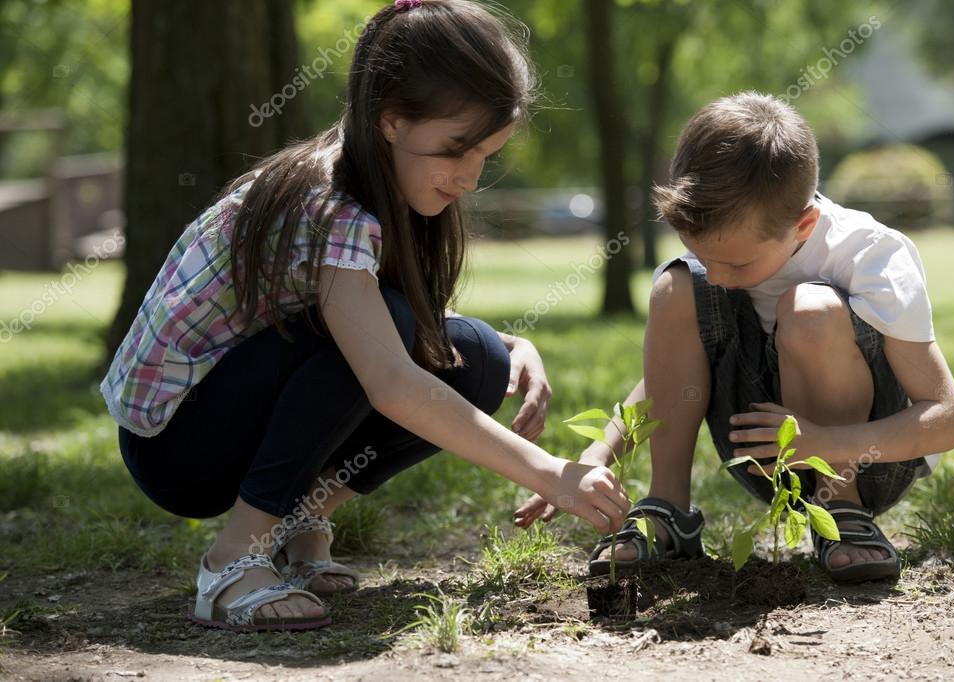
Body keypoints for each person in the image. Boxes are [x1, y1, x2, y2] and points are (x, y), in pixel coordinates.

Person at [101, 0, 629, 633]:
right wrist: (552, 474)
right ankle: (232, 563)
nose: (469, 176)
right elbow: (387, 376)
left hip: (227, 420)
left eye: (485, 153)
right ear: (390, 122)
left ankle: (300, 523)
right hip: (176, 446)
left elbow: (390, 325)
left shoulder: (380, 190)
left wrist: (511, 343)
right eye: (454, 149)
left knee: (480, 356)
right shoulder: (329, 206)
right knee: (393, 341)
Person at [515, 91, 954, 584]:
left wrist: (826, 443)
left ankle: (843, 511)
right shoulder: (722, 262)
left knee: (808, 307)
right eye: (706, 256)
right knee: (677, 285)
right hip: (762, 449)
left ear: (805, 224)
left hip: (866, 454)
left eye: (736, 263)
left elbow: (947, 419)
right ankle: (669, 508)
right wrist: (597, 454)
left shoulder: (871, 257)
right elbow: (667, 380)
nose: (721, 277)